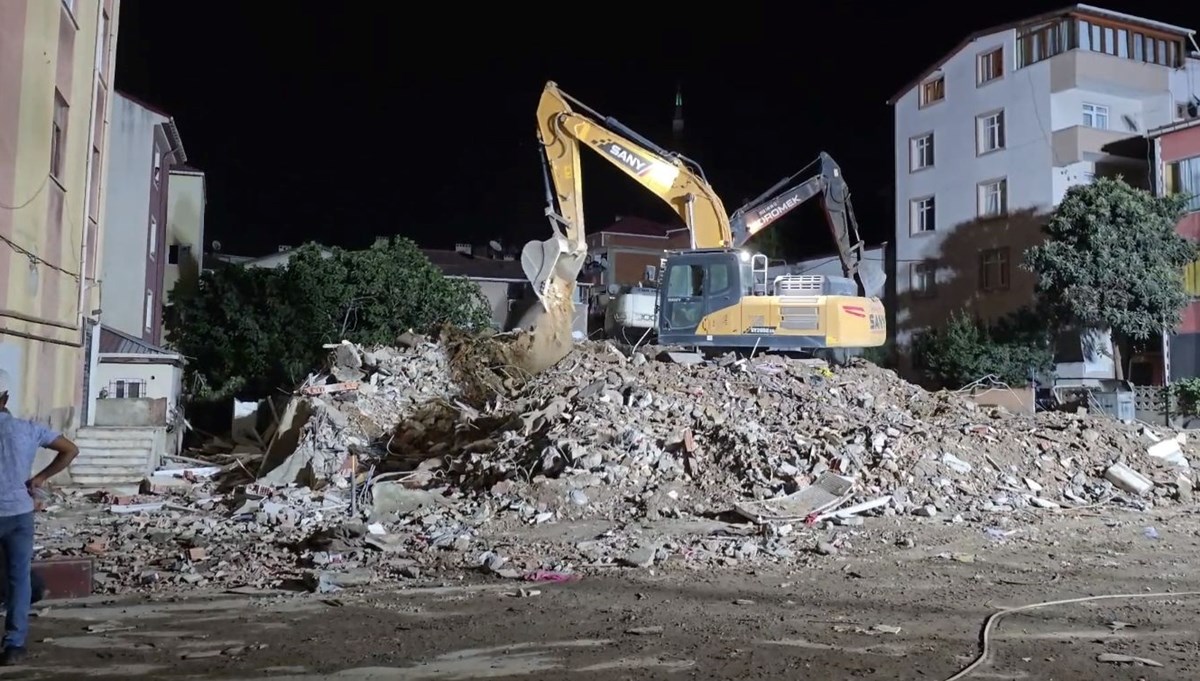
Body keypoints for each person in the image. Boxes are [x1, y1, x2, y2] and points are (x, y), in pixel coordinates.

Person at [0, 370, 78, 665]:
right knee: (19, 579)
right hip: (19, 513)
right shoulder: (27, 429)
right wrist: (40, 478)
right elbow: (71, 449)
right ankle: (14, 645)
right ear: (6, 398)